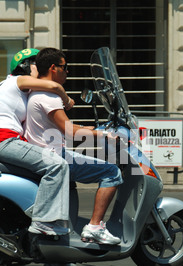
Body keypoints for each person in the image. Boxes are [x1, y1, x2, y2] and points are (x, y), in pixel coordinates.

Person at [0, 48, 74, 236]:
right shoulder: (16, 81)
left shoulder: (14, 90)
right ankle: (43, 221)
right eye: (35, 65)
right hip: (2, 140)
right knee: (57, 166)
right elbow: (55, 87)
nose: (39, 70)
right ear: (25, 66)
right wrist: (66, 100)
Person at [24, 47, 123, 245]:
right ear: (53, 68)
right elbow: (70, 132)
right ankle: (95, 227)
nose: (67, 71)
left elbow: (60, 127)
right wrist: (104, 135)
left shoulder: (36, 93)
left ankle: (62, 246)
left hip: (43, 152)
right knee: (112, 172)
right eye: (64, 67)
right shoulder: (49, 97)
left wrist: (85, 129)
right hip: (54, 156)